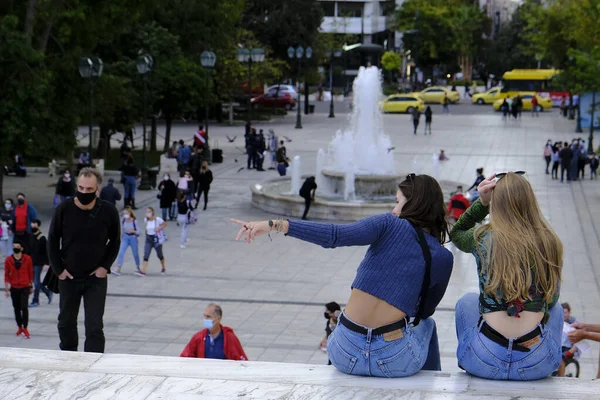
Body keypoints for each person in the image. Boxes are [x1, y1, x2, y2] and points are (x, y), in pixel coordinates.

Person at [231, 173, 454, 377]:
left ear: (414, 203)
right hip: (394, 361)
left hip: (343, 353)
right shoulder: (443, 258)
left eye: (398, 202)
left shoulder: (387, 224)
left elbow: (334, 235)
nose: (395, 210)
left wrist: (275, 224)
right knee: (427, 325)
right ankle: (431, 387)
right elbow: (424, 311)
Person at [450, 172, 563, 381]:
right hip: (536, 365)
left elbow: (456, 232)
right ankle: (543, 354)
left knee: (467, 301)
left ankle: (477, 353)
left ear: (496, 203)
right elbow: (552, 299)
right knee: (556, 310)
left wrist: (481, 203)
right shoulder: (549, 241)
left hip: (484, 360)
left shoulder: (483, 237)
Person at [47, 168, 121, 353]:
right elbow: (52, 240)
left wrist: (104, 267)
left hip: (95, 279)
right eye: (81, 188)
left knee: (94, 327)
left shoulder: (108, 211)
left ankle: (93, 363)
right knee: (65, 323)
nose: (84, 192)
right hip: (69, 277)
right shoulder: (63, 209)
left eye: (89, 189)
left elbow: (115, 240)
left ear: (98, 189)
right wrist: (59, 270)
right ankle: (69, 356)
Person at [180, 303, 248, 360]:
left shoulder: (229, 338)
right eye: (205, 316)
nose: (205, 319)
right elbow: (185, 357)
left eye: (208, 317)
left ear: (218, 318)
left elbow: (241, 360)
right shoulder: (198, 337)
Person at [4, 241, 33, 338]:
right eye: (14, 246)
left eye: (17, 246)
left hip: (25, 286)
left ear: (21, 248)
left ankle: (25, 327)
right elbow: (6, 275)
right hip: (14, 287)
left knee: (24, 307)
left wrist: (31, 286)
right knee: (16, 308)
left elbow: (30, 272)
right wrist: (7, 289)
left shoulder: (27, 259)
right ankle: (19, 326)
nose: (15, 248)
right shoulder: (8, 260)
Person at [137, 207, 167, 277]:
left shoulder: (157, 219)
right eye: (146, 212)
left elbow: (165, 224)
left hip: (156, 239)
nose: (148, 213)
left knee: (159, 254)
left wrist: (159, 228)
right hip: (148, 239)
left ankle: (163, 266)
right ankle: (143, 270)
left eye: (149, 211)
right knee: (146, 254)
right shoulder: (145, 220)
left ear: (152, 212)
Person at [28, 219, 52, 307]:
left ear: (38, 225)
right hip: (31, 261)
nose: (33, 225)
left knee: (36, 281)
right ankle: (47, 292)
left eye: (35, 224)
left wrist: (47, 263)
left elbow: (46, 251)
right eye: (32, 223)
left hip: (39, 262)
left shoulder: (42, 238)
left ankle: (35, 300)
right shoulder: (30, 236)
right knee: (35, 280)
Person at [112, 207, 140, 276]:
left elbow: (138, 232)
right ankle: (118, 268)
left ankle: (138, 267)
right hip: (125, 238)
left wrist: (133, 231)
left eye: (126, 213)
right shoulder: (123, 220)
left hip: (133, 237)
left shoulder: (134, 221)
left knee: (135, 253)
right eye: (124, 214)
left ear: (130, 213)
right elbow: (122, 229)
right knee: (121, 252)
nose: (125, 215)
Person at [556, 302, 580, 377]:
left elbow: (579, 341)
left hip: (569, 349)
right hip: (558, 346)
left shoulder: (575, 323)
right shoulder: (558, 321)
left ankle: (561, 378)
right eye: (562, 312)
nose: (564, 314)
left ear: (569, 312)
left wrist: (571, 351)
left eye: (566, 312)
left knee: (561, 362)